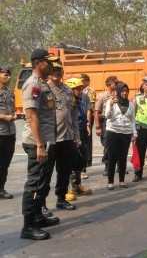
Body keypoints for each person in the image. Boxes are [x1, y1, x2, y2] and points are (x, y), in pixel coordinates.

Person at [20, 48, 60, 240]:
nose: (52, 65)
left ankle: (37, 217)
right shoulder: (33, 84)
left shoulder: (43, 84)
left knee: (43, 182)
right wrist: (39, 145)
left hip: (45, 141)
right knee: (34, 183)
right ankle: (28, 226)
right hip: (36, 143)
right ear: (38, 63)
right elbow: (32, 116)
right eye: (48, 62)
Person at [44, 62, 78, 211]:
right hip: (50, 138)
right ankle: (41, 204)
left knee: (64, 171)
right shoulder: (44, 88)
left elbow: (73, 115)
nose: (57, 72)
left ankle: (61, 199)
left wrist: (76, 135)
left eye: (59, 70)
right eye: (54, 70)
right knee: (45, 173)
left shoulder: (68, 91)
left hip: (67, 137)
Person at [104, 82, 137, 189]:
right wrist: (111, 105)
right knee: (112, 157)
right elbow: (108, 116)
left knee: (123, 157)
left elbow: (132, 120)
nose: (124, 93)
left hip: (126, 133)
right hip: (112, 132)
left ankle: (122, 180)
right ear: (118, 92)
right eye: (122, 91)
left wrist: (134, 133)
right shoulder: (111, 101)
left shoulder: (131, 104)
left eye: (126, 91)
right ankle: (110, 181)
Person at [66, 78, 93, 197]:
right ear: (71, 90)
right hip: (70, 135)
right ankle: (66, 190)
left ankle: (77, 186)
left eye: (81, 89)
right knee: (68, 163)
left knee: (80, 161)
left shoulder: (80, 101)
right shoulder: (67, 103)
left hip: (81, 133)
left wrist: (87, 125)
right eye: (78, 89)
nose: (80, 91)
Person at [94, 76, 119, 176]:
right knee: (108, 145)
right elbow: (96, 112)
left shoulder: (119, 95)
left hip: (117, 121)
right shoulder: (102, 96)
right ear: (109, 84)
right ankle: (107, 166)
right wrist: (98, 127)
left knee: (118, 144)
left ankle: (119, 165)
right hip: (106, 122)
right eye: (115, 83)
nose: (117, 85)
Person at [0, 66, 17, 199]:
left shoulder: (10, 93)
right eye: (5, 75)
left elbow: (12, 109)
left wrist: (16, 115)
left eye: (9, 75)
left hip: (10, 132)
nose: (9, 77)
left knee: (5, 162)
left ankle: (1, 188)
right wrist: (3, 117)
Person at [80, 73, 96, 178]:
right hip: (80, 117)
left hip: (88, 116)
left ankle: (88, 160)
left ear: (87, 81)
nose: (81, 82)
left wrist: (88, 123)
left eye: (83, 81)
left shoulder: (89, 91)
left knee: (87, 140)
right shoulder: (78, 91)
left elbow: (91, 107)